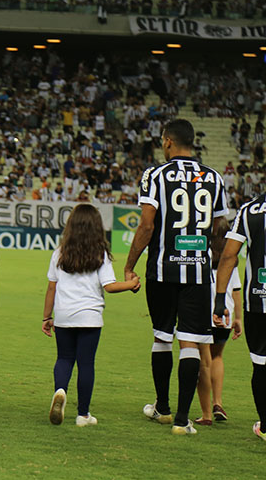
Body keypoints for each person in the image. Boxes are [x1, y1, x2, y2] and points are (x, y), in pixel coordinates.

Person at [124, 119, 227, 435]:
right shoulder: (214, 178)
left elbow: (146, 225)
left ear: (167, 142)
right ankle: (183, 420)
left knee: (161, 335)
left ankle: (163, 408)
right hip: (197, 272)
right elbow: (220, 229)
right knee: (191, 342)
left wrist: (130, 265)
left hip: (162, 270)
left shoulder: (155, 175)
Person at [43, 205, 140, 426]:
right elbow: (110, 286)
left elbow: (51, 288)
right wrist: (131, 284)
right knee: (86, 363)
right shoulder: (100, 253)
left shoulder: (59, 253)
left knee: (64, 358)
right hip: (89, 316)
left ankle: (60, 391)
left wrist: (46, 317)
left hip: (64, 315)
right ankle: (83, 415)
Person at [213, 190, 266, 441]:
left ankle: (265, 426)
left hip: (258, 301)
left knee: (261, 363)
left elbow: (229, 255)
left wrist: (219, 298)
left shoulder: (249, 211)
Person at [195, 219, 241, 424]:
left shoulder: (201, 254)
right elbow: (236, 291)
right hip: (225, 314)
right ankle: (218, 403)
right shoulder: (231, 259)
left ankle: (205, 413)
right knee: (218, 358)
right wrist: (238, 318)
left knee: (202, 361)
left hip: (203, 312)